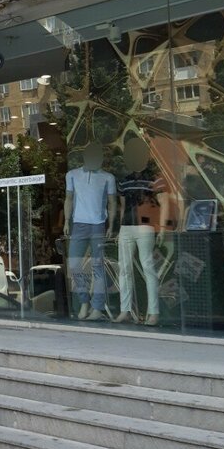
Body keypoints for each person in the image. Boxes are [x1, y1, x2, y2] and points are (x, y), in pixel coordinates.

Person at [115, 137, 169, 326]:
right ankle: (125, 310)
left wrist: (162, 228)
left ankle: (153, 313)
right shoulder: (125, 181)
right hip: (127, 227)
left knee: (148, 268)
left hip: (146, 226)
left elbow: (164, 202)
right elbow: (123, 207)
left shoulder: (155, 178)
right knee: (124, 269)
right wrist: (120, 228)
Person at [64, 142, 117, 321]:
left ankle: (97, 307)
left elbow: (112, 202)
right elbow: (68, 198)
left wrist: (111, 225)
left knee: (98, 267)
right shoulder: (72, 175)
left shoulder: (108, 178)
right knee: (74, 264)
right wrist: (66, 221)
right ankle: (84, 301)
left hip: (98, 224)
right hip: (78, 224)